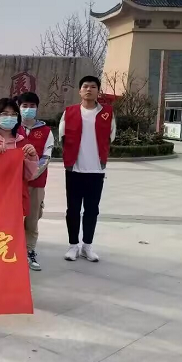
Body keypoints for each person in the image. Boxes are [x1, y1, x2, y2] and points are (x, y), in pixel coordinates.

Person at [59, 76, 116, 263]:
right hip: (74, 170)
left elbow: (111, 136)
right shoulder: (70, 112)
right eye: (85, 86)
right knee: (73, 209)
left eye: (93, 86)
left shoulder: (107, 113)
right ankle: (73, 245)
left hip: (96, 170)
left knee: (92, 210)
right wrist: (71, 157)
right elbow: (62, 136)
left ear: (98, 91)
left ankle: (87, 246)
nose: (89, 89)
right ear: (80, 91)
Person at [17, 92, 55, 271]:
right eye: (24, 106)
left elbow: (46, 157)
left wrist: (31, 174)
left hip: (36, 183)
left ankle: (30, 251)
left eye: (32, 106)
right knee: (14, 219)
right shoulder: (12, 129)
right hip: (14, 184)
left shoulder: (46, 131)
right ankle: (13, 252)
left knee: (32, 220)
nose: (28, 109)